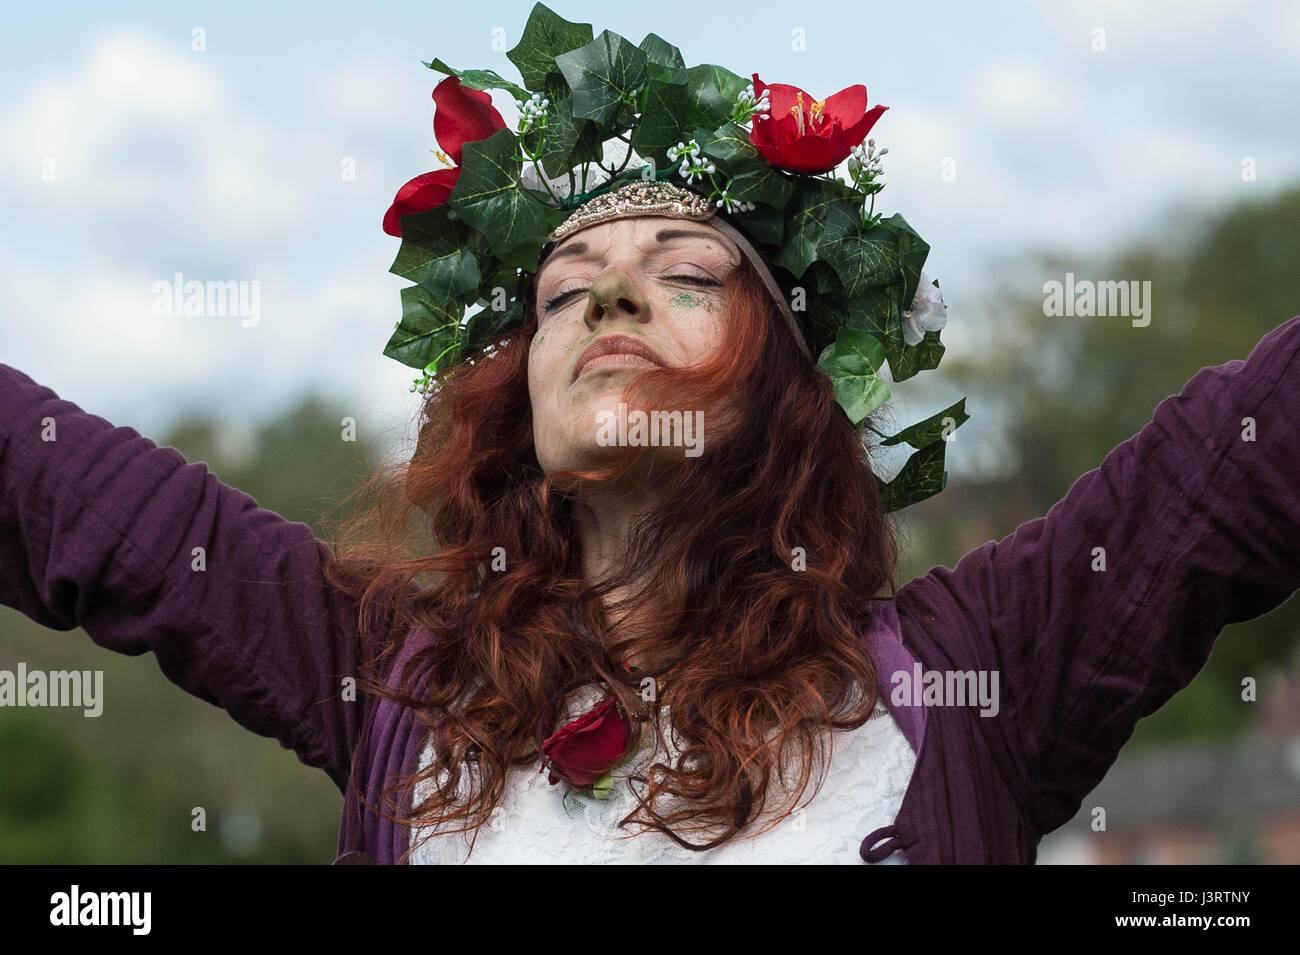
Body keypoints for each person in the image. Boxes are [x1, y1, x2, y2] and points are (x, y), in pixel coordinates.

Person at [3, 8, 1299, 863]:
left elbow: (1245, 453)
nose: (610, 296)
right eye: (564, 291)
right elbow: (65, 490)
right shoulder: (398, 685)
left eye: (686, 273)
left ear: (789, 384)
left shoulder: (974, 676)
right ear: (520, 397)